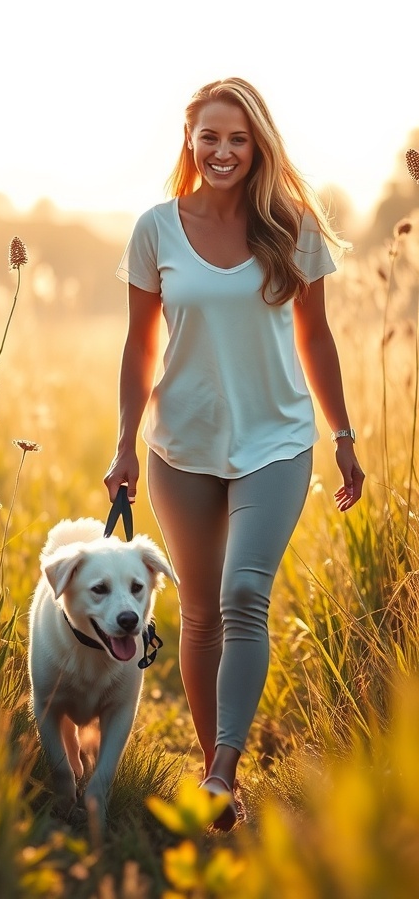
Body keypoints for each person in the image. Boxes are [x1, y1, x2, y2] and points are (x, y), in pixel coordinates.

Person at [104, 77, 365, 831]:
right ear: (190, 142)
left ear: (258, 149)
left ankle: (222, 769)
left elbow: (316, 337)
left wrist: (343, 435)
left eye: (238, 139)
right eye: (210, 137)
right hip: (180, 445)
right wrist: (124, 442)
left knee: (244, 592)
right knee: (198, 610)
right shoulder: (155, 228)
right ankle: (210, 758)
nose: (223, 151)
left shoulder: (293, 226)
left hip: (277, 441)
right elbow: (138, 343)